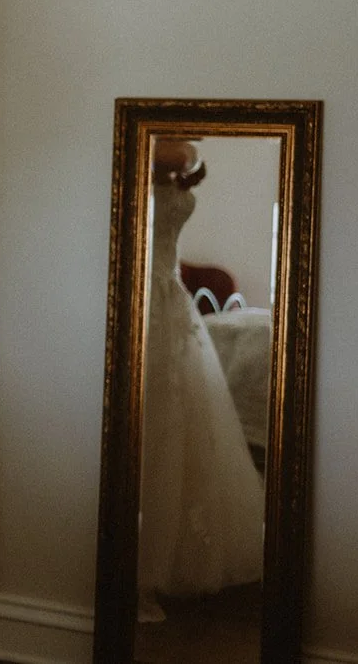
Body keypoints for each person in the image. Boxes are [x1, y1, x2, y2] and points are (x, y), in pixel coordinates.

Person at [137, 138, 265, 616]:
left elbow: (187, 156)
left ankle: (171, 554)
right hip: (147, 298)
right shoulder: (153, 148)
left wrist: (189, 157)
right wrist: (186, 156)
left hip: (170, 300)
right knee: (156, 418)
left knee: (180, 421)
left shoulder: (169, 154)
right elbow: (179, 155)